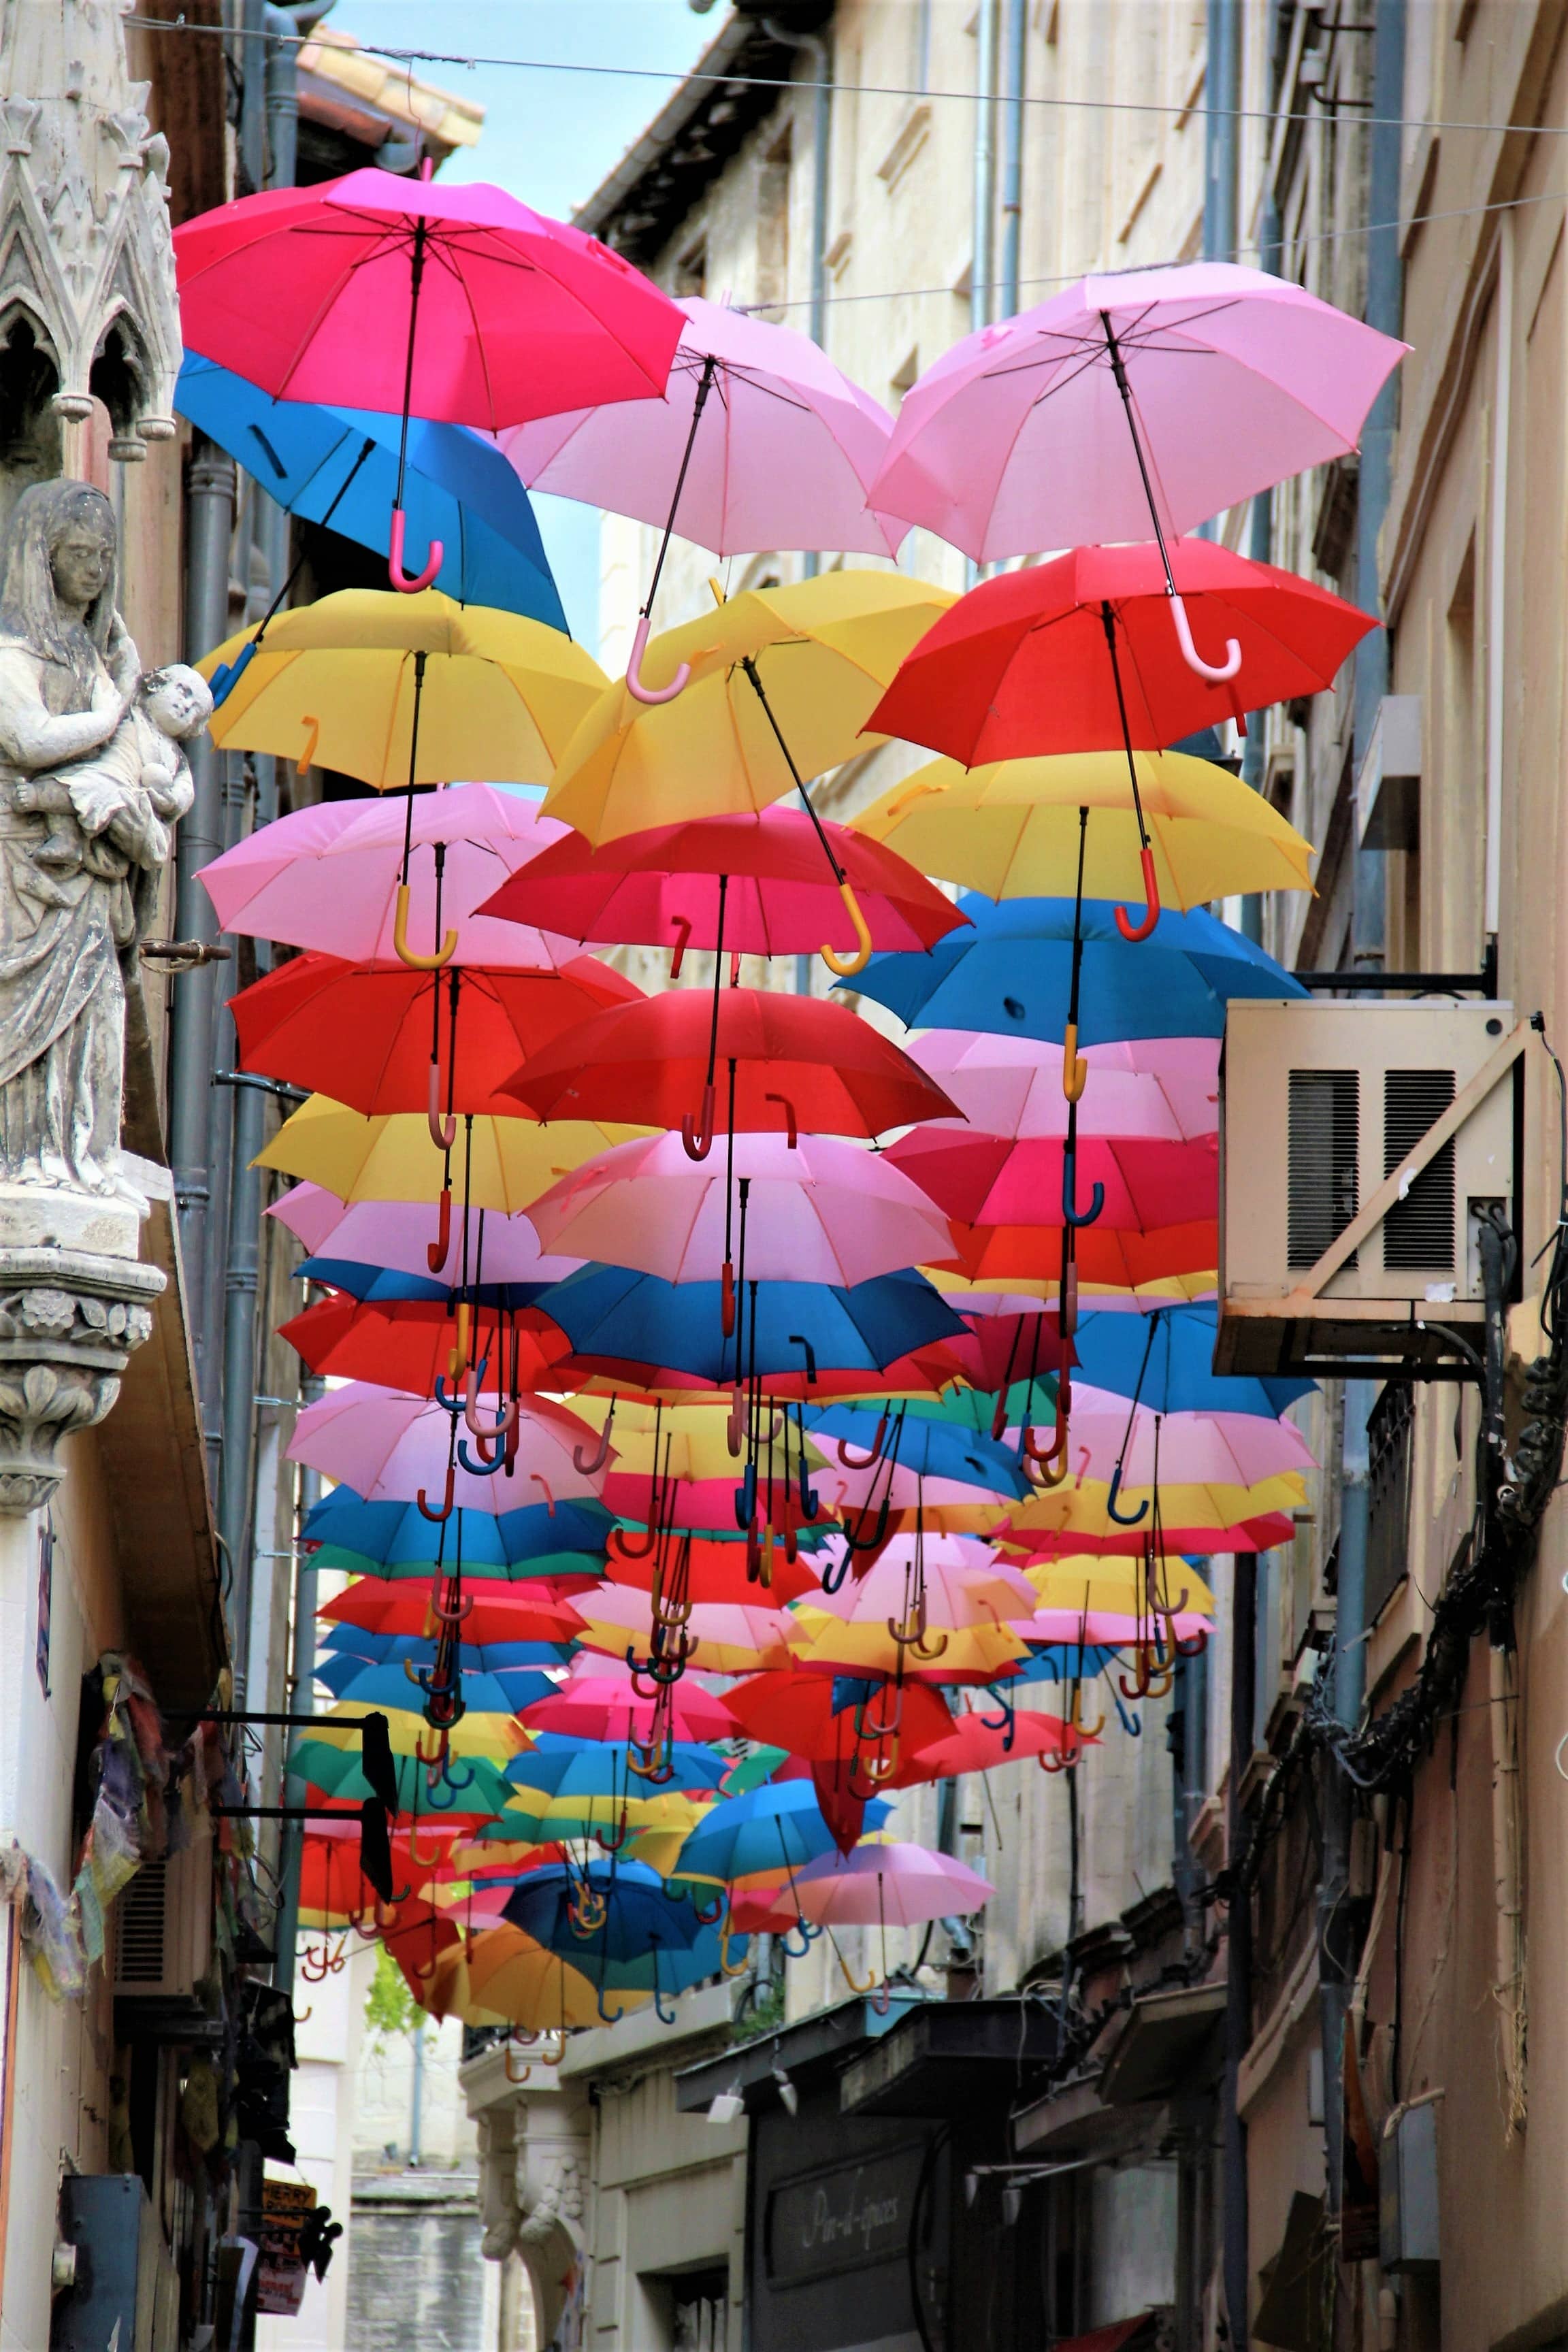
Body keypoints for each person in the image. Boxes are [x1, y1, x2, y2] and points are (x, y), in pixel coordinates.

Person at [0, 479, 186, 1192]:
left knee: (100, 1013)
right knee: (27, 1029)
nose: (96, 570)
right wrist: (117, 707)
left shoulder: (97, 658)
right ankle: (29, 1160)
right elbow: (28, 739)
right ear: (42, 560)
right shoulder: (16, 654)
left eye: (106, 555)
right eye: (80, 553)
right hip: (25, 883)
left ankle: (84, 1155)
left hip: (91, 886)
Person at [13, 660, 210, 872]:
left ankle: (38, 800)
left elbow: (185, 792)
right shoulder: (130, 711)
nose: (186, 706)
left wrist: (171, 800)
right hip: (102, 774)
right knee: (70, 785)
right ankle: (64, 836)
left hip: (131, 799)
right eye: (183, 692)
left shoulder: (177, 758)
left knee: (89, 792)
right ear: (156, 684)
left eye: (195, 711)